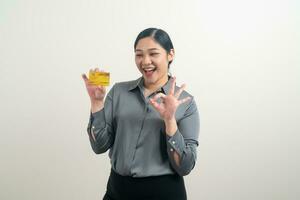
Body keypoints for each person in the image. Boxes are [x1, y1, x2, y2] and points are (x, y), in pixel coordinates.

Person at [82, 28, 200, 200]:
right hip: (117, 190)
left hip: (163, 193)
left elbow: (185, 167)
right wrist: (97, 103)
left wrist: (169, 120)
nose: (145, 61)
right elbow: (99, 146)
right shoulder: (118, 92)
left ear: (170, 54)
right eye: (139, 55)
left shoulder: (186, 103)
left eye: (153, 54)